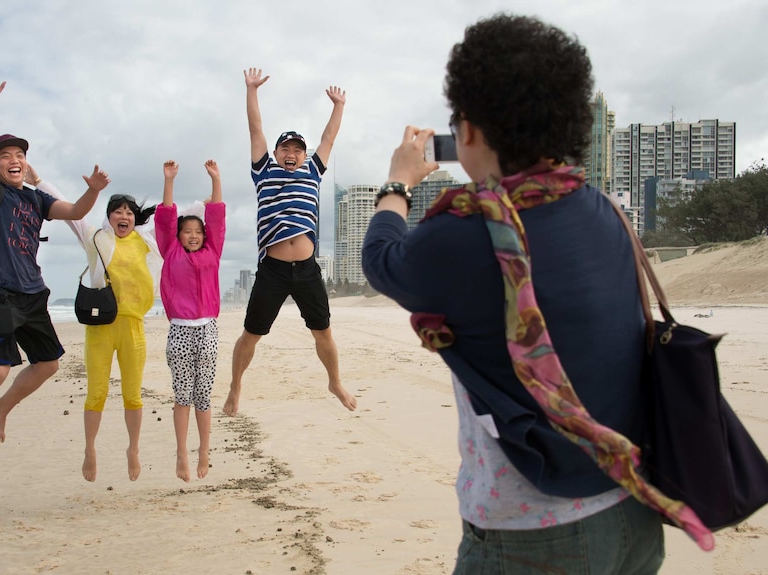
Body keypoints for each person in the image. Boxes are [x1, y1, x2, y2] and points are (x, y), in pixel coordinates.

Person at [361, 15, 711, 574]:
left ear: (469, 132)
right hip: (635, 504)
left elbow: (380, 260)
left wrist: (398, 183)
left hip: (532, 532)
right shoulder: (604, 209)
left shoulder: (464, 234)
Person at [0, 65, 110, 464]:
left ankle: (1, 409)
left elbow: (74, 210)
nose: (14, 160)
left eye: (20, 154)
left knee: (49, 364)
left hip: (32, 293)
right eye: (5, 156)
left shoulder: (36, 200)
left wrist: (91, 192)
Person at [222, 68, 356, 416]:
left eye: (298, 148)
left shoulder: (313, 171)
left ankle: (335, 381)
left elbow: (328, 138)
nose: (292, 152)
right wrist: (251, 90)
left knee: (323, 332)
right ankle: (236, 387)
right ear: (278, 152)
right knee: (251, 334)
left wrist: (338, 106)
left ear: (304, 154)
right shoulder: (263, 170)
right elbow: (255, 129)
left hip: (308, 270)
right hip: (273, 270)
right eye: (286, 148)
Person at [30, 171, 160, 482]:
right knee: (96, 394)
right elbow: (67, 211)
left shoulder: (147, 242)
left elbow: (172, 219)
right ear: (108, 217)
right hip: (100, 327)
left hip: (133, 328)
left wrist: (205, 199)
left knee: (133, 395)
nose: (123, 216)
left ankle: (133, 449)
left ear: (135, 218)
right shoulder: (95, 237)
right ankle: (90, 450)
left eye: (129, 211)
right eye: (117, 211)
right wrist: (37, 181)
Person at [155, 159, 226, 481]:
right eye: (188, 231)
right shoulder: (170, 250)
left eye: (198, 231)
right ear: (180, 236)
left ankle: (205, 451)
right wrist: (169, 181)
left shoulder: (213, 250)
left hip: (208, 330)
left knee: (203, 395)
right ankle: (182, 454)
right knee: (182, 395)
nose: (194, 235)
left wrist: (216, 179)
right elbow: (166, 220)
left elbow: (218, 217)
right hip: (180, 333)